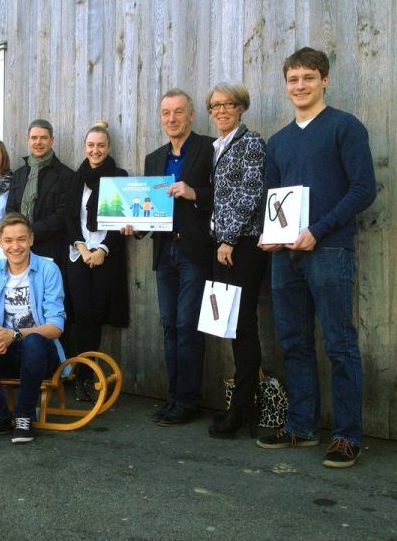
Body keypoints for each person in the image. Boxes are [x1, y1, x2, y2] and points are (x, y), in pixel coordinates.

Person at [256, 47, 376, 468]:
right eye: (293, 79)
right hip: (283, 259)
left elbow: (363, 189)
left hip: (328, 250)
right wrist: (269, 237)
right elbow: (273, 201)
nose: (300, 86)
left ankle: (346, 435)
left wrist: (317, 231)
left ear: (325, 80)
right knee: (294, 343)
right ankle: (301, 425)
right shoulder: (280, 141)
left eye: (308, 77)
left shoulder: (345, 127)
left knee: (340, 344)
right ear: (286, 85)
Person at [125, 89, 214, 426]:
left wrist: (193, 193)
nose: (172, 119)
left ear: (191, 115)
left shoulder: (208, 149)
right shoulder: (154, 158)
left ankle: (188, 401)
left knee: (187, 327)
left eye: (178, 112)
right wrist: (134, 227)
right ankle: (174, 396)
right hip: (164, 252)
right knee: (169, 328)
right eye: (166, 113)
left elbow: (223, 195)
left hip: (194, 250)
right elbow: (150, 211)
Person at [0, 213, 66, 444]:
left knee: (34, 341)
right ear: (0, 242)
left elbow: (56, 326)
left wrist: (15, 334)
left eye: (21, 239)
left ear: (31, 240)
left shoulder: (48, 270)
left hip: (39, 355)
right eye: (8, 240)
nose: (15, 246)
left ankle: (24, 415)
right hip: (4, 350)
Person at [202, 83, 267, 439]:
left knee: (243, 328)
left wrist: (227, 239)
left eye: (229, 104)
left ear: (241, 108)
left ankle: (240, 409)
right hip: (222, 248)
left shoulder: (251, 143)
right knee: (230, 325)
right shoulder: (217, 147)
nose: (222, 110)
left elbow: (251, 193)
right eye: (216, 106)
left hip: (240, 246)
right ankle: (242, 404)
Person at [66, 121, 129, 401]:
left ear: (108, 147)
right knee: (81, 315)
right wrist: (82, 247)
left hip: (106, 254)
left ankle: (88, 374)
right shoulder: (75, 178)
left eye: (101, 145)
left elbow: (121, 221)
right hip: (78, 253)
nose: (95, 150)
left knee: (97, 315)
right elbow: (69, 218)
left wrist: (102, 249)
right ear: (84, 147)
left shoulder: (119, 176)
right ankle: (82, 375)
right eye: (91, 145)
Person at [7, 119, 74, 267]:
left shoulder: (66, 175)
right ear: (28, 140)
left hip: (51, 250)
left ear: (52, 140)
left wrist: (29, 233)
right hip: (18, 250)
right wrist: (20, 236)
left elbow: (62, 215)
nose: (38, 142)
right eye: (34, 138)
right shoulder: (18, 174)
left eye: (43, 137)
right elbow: (10, 209)